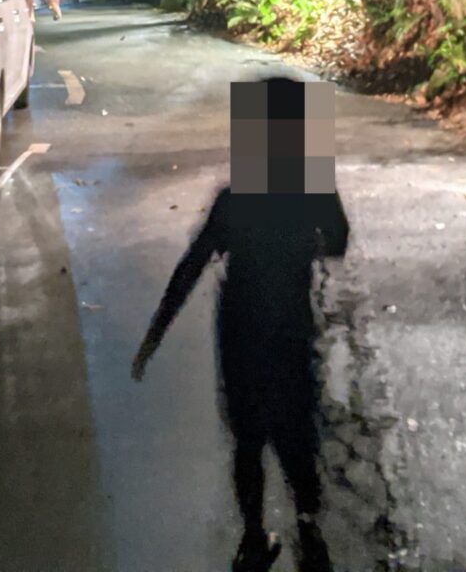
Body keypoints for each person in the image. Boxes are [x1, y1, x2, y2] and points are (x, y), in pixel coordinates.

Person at [132, 78, 350, 572]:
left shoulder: (235, 198)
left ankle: (254, 534)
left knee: (248, 436)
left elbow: (191, 266)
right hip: (290, 322)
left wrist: (154, 334)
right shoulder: (312, 188)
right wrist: (303, 248)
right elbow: (339, 241)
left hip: (241, 326)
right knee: (296, 423)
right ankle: (309, 522)